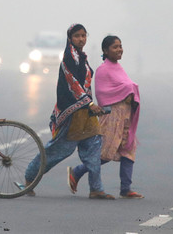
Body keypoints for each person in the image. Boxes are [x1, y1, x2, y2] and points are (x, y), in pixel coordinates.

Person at [22, 24, 115, 199]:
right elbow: (73, 84)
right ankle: (29, 179)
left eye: (84, 36)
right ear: (70, 38)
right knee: (57, 151)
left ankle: (96, 189)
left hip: (87, 115)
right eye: (77, 36)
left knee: (94, 150)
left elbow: (85, 85)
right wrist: (89, 104)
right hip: (71, 115)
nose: (81, 39)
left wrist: (91, 106)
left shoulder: (82, 57)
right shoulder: (68, 58)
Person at [68, 35, 143, 199]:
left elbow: (127, 87)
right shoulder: (103, 70)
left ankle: (126, 188)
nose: (119, 50)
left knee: (128, 150)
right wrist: (127, 91)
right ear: (105, 50)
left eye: (120, 46)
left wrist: (129, 93)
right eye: (115, 47)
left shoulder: (119, 68)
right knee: (105, 152)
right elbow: (102, 94)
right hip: (111, 117)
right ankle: (77, 172)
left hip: (126, 116)